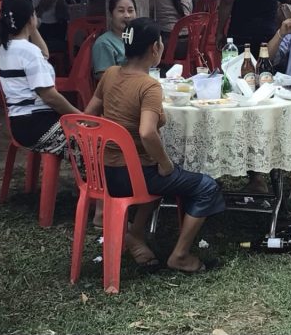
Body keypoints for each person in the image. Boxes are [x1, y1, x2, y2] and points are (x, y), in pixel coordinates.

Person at [83, 18, 225, 272]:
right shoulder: (148, 85)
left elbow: (88, 115)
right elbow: (147, 132)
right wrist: (166, 164)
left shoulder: (111, 74)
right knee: (207, 186)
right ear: (155, 48)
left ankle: (136, 235)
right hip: (134, 175)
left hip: (105, 172)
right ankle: (180, 255)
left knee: (155, 169)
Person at [0, 0, 81, 155]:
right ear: (31, 18)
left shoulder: (6, 48)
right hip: (38, 125)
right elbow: (50, 97)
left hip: (20, 124)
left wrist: (32, 28)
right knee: (91, 139)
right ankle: (93, 172)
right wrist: (79, 115)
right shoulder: (29, 52)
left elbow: (44, 54)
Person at [92, 0, 137, 81]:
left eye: (130, 11)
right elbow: (105, 78)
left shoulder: (138, 37)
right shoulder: (104, 43)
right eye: (121, 11)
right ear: (111, 15)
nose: (127, 15)